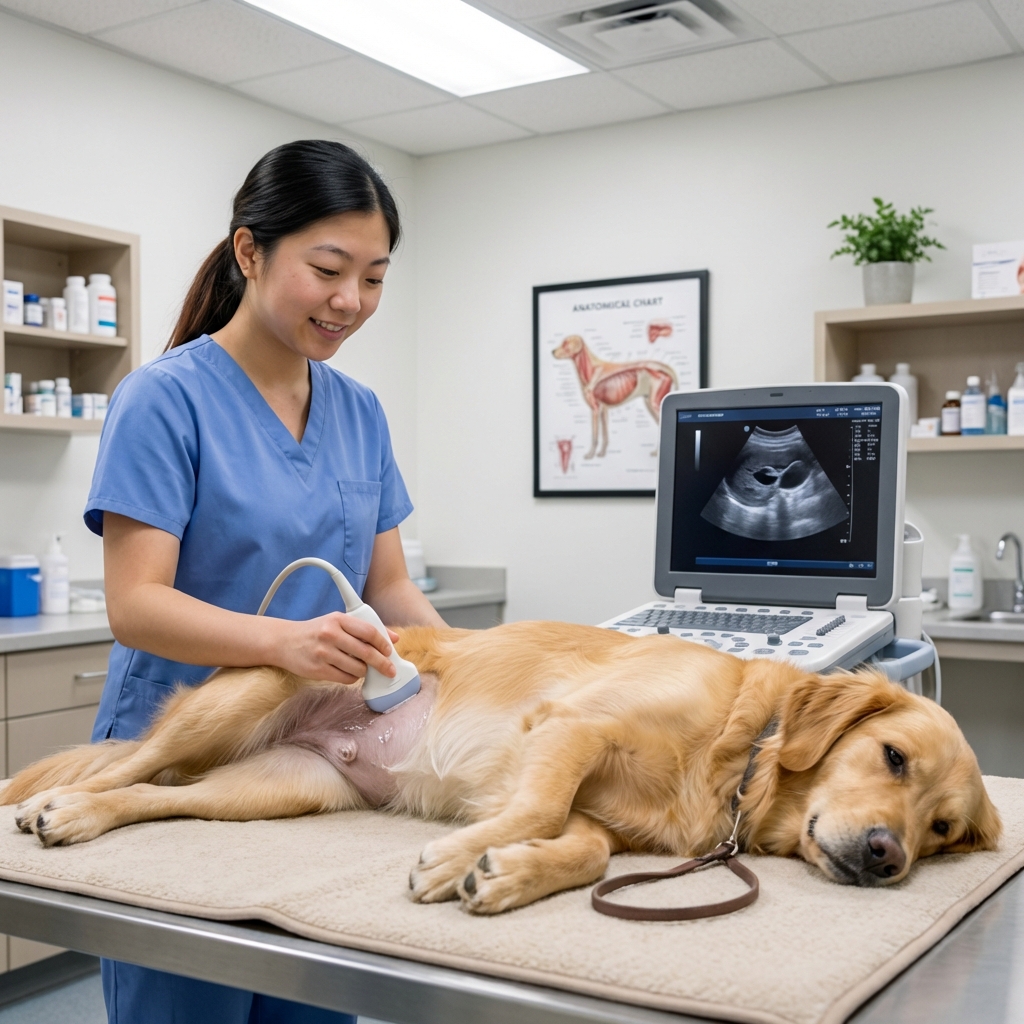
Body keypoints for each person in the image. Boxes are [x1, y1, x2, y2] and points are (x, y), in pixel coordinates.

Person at [84, 140, 446, 1024]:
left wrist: (476, 674)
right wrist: (288, 642)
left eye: (373, 277)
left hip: (314, 766)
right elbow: (136, 606)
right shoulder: (163, 400)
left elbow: (389, 587)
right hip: (179, 759)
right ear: (250, 252)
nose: (350, 301)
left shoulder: (359, 412)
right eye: (327, 269)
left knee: (313, 1003)